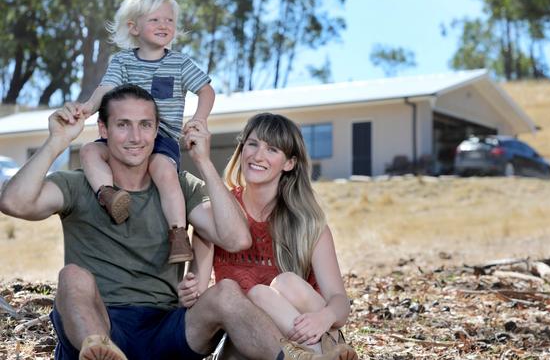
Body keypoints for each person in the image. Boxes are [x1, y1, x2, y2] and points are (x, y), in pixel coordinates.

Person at [0, 85, 355, 360]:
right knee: (72, 277)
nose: (135, 137)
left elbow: (234, 238)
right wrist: (56, 142)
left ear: (157, 132)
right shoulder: (78, 185)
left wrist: (201, 161)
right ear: (103, 129)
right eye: (123, 125)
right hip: (103, 322)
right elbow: (13, 202)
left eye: (145, 126)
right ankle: (101, 350)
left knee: (229, 293)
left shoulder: (180, 187)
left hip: (166, 328)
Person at [178, 113, 358, 359]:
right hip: (249, 334)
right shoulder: (218, 215)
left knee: (284, 284)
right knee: (253, 299)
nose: (258, 155)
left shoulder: (309, 224)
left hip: (310, 329)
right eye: (252, 144)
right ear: (241, 150)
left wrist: (322, 318)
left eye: (272, 149)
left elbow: (339, 301)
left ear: (289, 163)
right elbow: (197, 294)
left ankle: (319, 352)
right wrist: (189, 291)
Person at [77, 0, 215, 264]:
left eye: (169, 20)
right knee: (89, 151)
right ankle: (108, 194)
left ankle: (177, 234)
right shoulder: (121, 62)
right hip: (127, 135)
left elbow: (206, 91)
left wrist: (199, 119)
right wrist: (88, 107)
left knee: (164, 170)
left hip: (163, 136)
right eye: (155, 19)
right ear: (134, 27)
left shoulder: (180, 63)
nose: (164, 24)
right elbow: (106, 89)